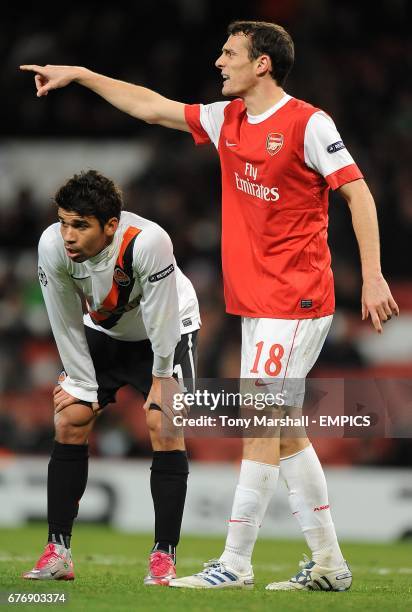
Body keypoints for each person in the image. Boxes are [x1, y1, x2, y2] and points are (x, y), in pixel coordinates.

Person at [20, 19, 399, 592]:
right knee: (286, 431)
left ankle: (235, 564)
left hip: (296, 299)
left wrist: (372, 276)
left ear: (262, 63)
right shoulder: (228, 120)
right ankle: (329, 565)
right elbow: (151, 107)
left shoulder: (308, 123)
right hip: (255, 301)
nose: (219, 62)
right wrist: (81, 74)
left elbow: (358, 193)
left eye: (229, 53)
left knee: (260, 422)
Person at [22, 169, 200, 586]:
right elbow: (64, 320)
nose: (68, 235)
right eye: (64, 221)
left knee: (164, 422)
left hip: (170, 328)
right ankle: (57, 552)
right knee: (70, 418)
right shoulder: (53, 246)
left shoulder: (147, 242)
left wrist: (160, 379)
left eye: (80, 225)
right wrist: (80, 386)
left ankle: (163, 556)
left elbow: (161, 320)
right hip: (105, 331)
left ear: (111, 226)